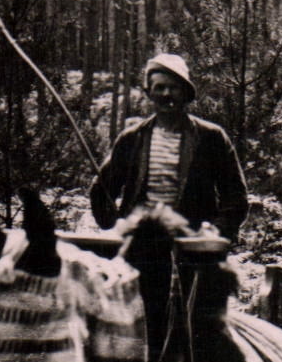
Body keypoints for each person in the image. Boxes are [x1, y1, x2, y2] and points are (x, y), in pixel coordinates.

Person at [89, 53, 249, 242]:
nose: (167, 94)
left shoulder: (211, 137)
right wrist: (115, 226)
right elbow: (101, 190)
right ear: (149, 93)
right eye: (160, 87)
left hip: (192, 247)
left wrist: (215, 232)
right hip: (140, 246)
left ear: (185, 93)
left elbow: (236, 198)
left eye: (174, 88)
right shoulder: (131, 139)